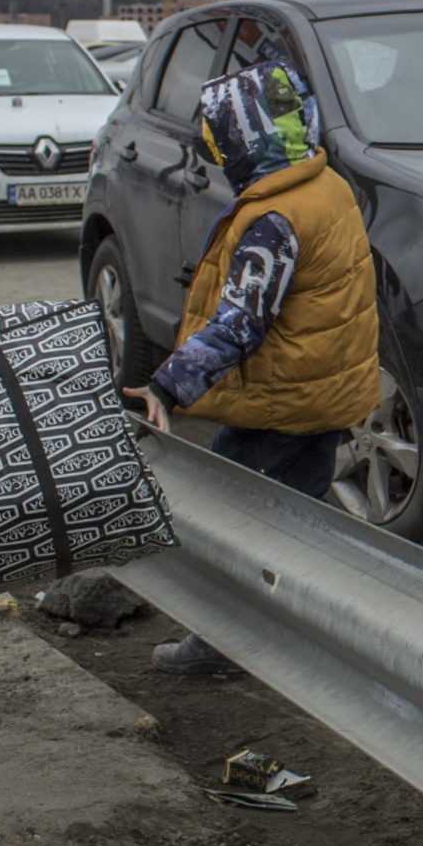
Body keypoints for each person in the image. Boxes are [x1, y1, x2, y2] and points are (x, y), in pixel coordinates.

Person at [125, 60, 380, 672]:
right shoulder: (324, 185)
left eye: (220, 138)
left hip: (280, 403)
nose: (215, 153)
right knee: (299, 517)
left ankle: (223, 646)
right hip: (318, 392)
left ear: (246, 139)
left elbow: (242, 321)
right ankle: (303, 633)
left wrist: (169, 383)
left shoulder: (273, 220)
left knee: (239, 526)